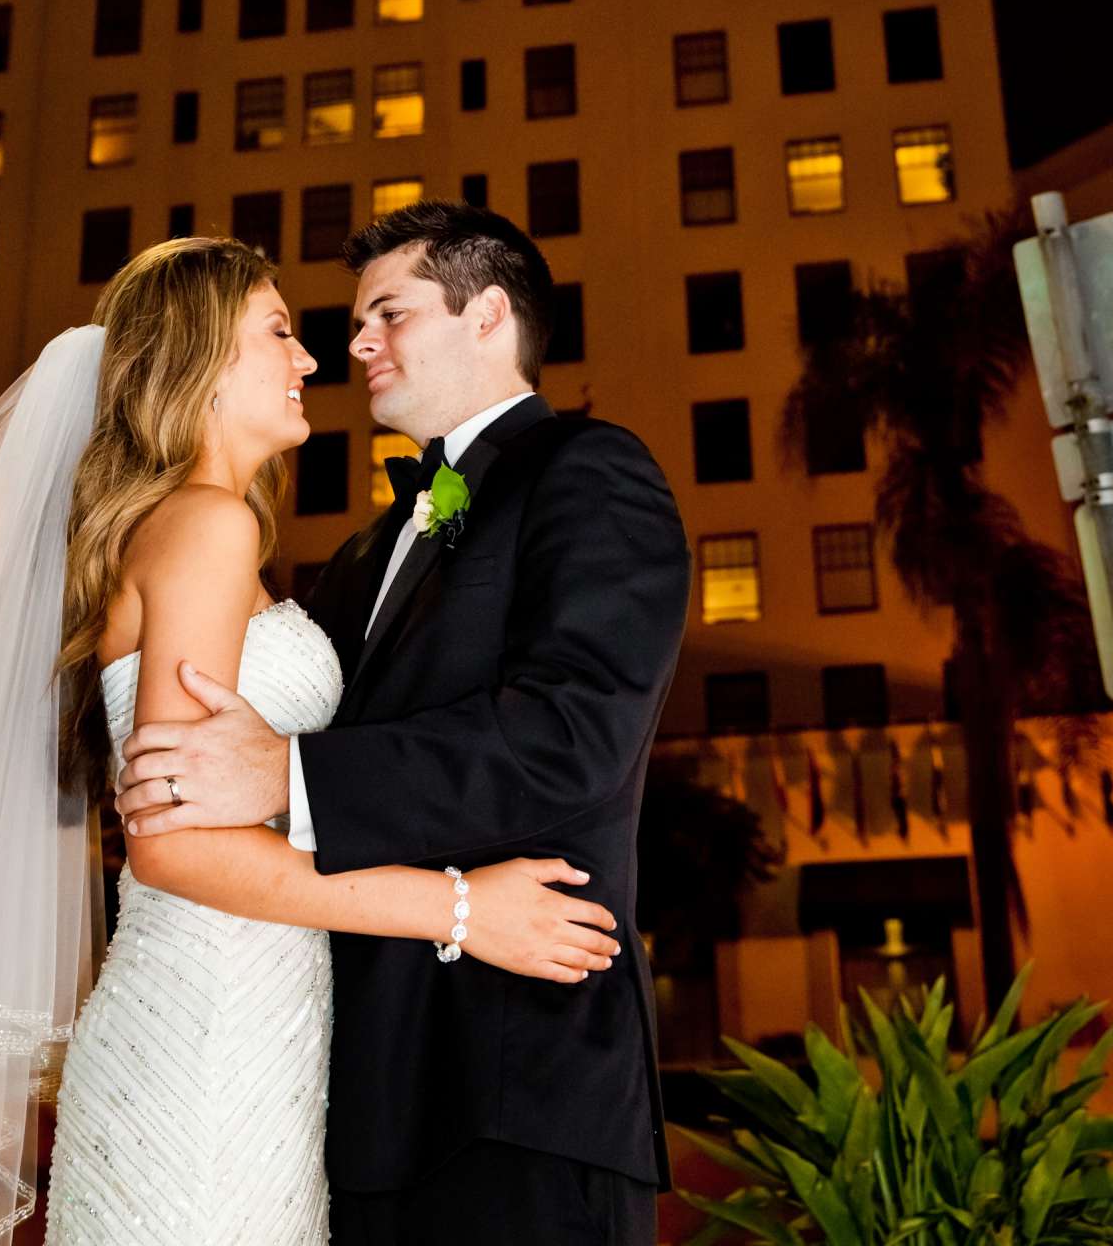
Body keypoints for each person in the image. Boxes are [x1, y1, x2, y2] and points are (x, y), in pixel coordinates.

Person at [0, 235, 618, 1246]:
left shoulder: (201, 529)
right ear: (201, 358)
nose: (312, 359)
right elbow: (173, 849)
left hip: (255, 1018)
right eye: (279, 333)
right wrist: (459, 907)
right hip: (209, 1026)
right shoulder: (205, 527)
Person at [116, 201, 692, 1246]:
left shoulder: (588, 472)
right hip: (342, 1095)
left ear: (488, 319)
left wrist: (288, 777)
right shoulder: (353, 560)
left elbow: (573, 731)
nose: (353, 343)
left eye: (389, 313)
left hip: (520, 1075)